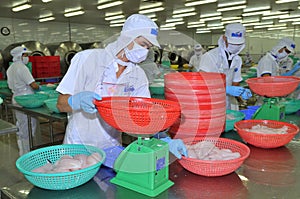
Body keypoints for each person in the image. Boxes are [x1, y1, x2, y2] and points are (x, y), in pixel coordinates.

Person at [56, 14, 187, 159]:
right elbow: (61, 104)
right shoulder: (87, 59)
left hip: (111, 149)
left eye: (148, 47)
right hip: (78, 146)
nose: (144, 51)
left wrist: (163, 138)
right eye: (142, 44)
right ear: (127, 37)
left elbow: (145, 117)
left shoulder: (138, 75)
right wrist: (75, 101)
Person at [197, 23, 252, 110]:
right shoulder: (210, 56)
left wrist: (241, 92)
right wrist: (225, 89)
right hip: (210, 102)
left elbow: (235, 82)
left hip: (227, 102)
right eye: (233, 43)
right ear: (224, 38)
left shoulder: (237, 60)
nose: (236, 47)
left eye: (239, 44)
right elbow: (201, 83)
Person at [6, 46, 40, 156]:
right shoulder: (22, 68)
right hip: (26, 99)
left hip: (16, 97)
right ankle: (28, 152)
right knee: (29, 125)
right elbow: (33, 85)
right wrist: (40, 88)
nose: (27, 58)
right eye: (25, 55)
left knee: (21, 124)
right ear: (20, 56)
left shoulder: (10, 68)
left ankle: (23, 150)